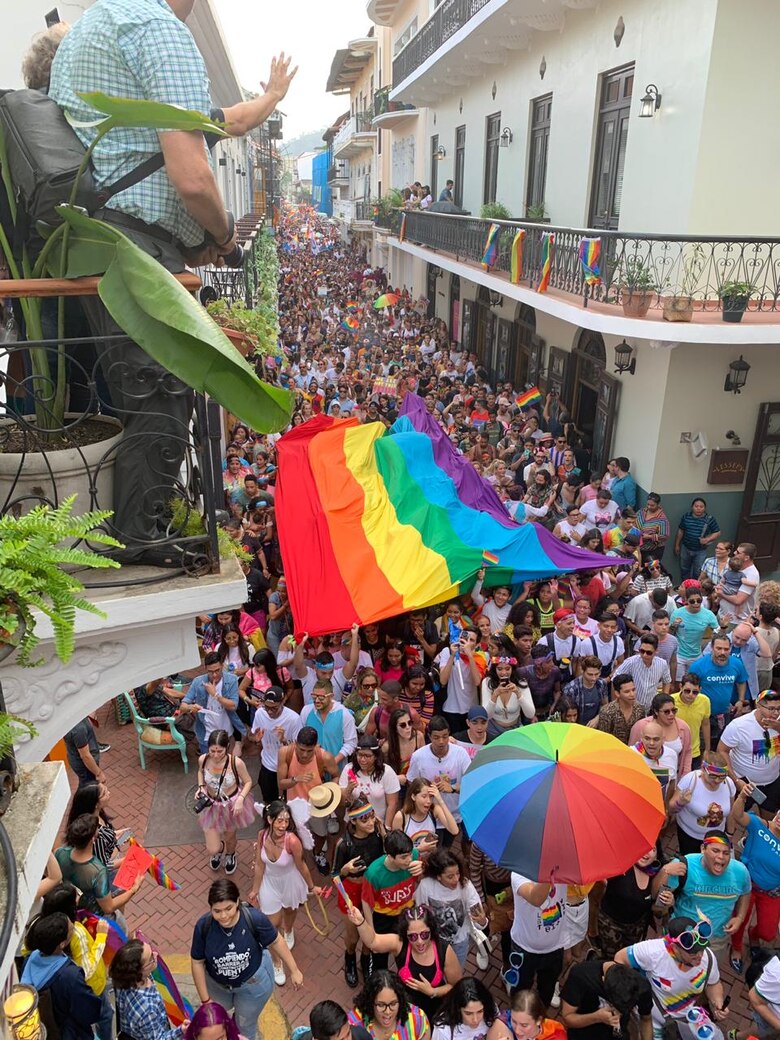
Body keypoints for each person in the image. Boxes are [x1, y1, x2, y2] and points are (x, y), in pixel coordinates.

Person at [49, 1, 295, 564]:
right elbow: (193, 177)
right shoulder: (158, 31)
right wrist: (225, 238)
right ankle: (143, 535)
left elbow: (222, 122)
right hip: (133, 246)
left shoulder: (97, 26)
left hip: (95, 238)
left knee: (117, 393)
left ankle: (102, 528)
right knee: (161, 390)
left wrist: (272, 99)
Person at [191, 879, 302, 1037]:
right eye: (217, 911)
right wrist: (205, 1001)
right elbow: (197, 961)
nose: (223, 916)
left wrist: (294, 970)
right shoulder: (204, 926)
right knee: (217, 1021)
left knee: (244, 1025)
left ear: (237, 901)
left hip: (252, 986)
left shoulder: (254, 919)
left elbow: (276, 940)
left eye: (228, 908)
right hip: (217, 987)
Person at [615, 917, 729, 1039]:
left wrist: (717, 1002)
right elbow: (619, 959)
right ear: (675, 948)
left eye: (701, 949)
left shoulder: (708, 958)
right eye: (693, 953)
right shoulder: (652, 952)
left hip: (690, 1017)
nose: (700, 956)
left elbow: (713, 984)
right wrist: (632, 991)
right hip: (655, 1022)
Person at [348, 905, 462, 1023]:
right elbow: (373, 941)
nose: (419, 941)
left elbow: (457, 986)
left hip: (435, 1009)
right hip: (406, 1009)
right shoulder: (400, 944)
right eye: (412, 936)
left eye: (424, 935)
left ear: (431, 930)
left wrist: (433, 992)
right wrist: (360, 922)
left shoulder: (443, 950)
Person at [248, 800, 319, 985]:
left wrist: (312, 887)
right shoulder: (262, 835)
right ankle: (277, 962)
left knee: (289, 911)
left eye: (286, 821)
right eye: (279, 820)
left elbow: (302, 866)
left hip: (290, 882)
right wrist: (255, 890)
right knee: (272, 926)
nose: (283, 825)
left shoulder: (292, 841)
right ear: (270, 819)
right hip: (269, 883)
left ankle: (289, 930)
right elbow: (260, 865)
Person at [655, 831, 750, 954]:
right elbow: (656, 896)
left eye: (726, 853)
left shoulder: (740, 871)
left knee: (705, 972)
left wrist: (740, 917)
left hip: (716, 940)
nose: (721, 857)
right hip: (681, 935)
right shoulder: (684, 866)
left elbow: (746, 892)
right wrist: (664, 871)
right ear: (703, 849)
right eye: (715, 851)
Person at [38, 883, 112, 1040]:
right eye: (75, 897)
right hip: (93, 987)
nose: (79, 897)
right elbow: (87, 969)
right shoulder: (75, 933)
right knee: (105, 1015)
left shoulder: (44, 926)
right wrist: (101, 936)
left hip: (75, 993)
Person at [22, 913, 103, 1040]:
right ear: (62, 944)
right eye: (71, 929)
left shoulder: (30, 960)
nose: (74, 927)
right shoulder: (70, 977)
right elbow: (89, 1011)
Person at [726, 783, 780, 973]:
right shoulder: (760, 826)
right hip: (746, 886)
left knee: (768, 931)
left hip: (771, 893)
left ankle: (754, 935)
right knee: (739, 920)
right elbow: (738, 816)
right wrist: (742, 797)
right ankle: (736, 949)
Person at [333, 797, 387, 986]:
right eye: (365, 820)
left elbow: (389, 856)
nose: (371, 822)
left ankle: (366, 960)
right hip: (351, 891)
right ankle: (349, 960)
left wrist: (384, 830)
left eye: (372, 817)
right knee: (353, 935)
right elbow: (335, 875)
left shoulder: (378, 835)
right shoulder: (344, 844)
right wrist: (346, 870)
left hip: (372, 888)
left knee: (370, 929)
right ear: (353, 821)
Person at [55, 814, 144, 920]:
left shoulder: (60, 853)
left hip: (72, 907)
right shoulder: (98, 872)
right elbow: (108, 907)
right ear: (93, 839)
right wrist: (134, 889)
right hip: (94, 915)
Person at [277, 725, 340, 873]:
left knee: (321, 834)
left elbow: (337, 775)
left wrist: (329, 790)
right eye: (301, 749)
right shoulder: (285, 753)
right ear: (295, 743)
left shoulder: (325, 757)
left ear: (316, 747)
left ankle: (318, 854)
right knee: (294, 835)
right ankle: (296, 858)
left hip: (317, 806)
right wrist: (296, 779)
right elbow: (281, 783)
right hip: (294, 805)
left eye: (309, 751)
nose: (304, 755)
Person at [361, 831, 423, 972]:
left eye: (409, 854)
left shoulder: (413, 856)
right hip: (383, 918)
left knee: (406, 952)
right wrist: (372, 933)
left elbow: (423, 879)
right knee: (379, 957)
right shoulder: (374, 874)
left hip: (406, 914)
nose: (409, 860)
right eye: (403, 857)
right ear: (390, 856)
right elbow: (366, 902)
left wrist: (423, 868)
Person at [195, 729, 254, 874]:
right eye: (212, 751)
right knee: (212, 848)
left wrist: (241, 799)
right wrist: (201, 787)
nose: (215, 755)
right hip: (210, 804)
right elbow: (200, 772)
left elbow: (248, 782)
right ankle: (219, 850)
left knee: (230, 836)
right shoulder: (203, 759)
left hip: (230, 805)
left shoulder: (236, 763)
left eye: (219, 751)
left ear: (227, 747)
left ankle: (230, 854)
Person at [414, 849, 487, 967]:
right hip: (434, 942)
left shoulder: (466, 886)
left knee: (457, 973)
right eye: (450, 876)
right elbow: (420, 915)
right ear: (438, 876)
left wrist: (482, 921)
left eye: (458, 873)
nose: (456, 879)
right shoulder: (426, 886)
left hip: (459, 943)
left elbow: (479, 922)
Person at [406, 718, 471, 846]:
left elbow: (471, 784)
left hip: (452, 814)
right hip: (428, 814)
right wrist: (426, 791)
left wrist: (452, 788)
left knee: (445, 849)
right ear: (429, 736)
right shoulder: (419, 756)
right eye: (436, 737)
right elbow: (411, 784)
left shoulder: (460, 754)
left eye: (445, 736)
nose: (441, 742)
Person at [508, 872, 566, 1007]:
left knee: (546, 992)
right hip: (524, 948)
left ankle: (540, 1020)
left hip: (554, 946)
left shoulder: (563, 865)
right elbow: (536, 898)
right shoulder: (519, 872)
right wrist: (550, 870)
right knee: (520, 994)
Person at [719, 687, 780, 813]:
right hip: (745, 783)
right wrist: (736, 780)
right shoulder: (739, 726)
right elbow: (722, 750)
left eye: (778, 708)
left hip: (773, 782)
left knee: (769, 814)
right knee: (736, 816)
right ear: (758, 705)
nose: (775, 713)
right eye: (771, 709)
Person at [111, 938, 185, 1040]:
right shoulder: (147, 1010)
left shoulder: (122, 977)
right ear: (139, 970)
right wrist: (181, 1030)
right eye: (151, 958)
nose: (155, 954)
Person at [596, 849, 663, 961]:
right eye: (643, 848)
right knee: (612, 959)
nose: (646, 853)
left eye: (652, 850)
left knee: (629, 957)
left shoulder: (656, 874)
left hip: (637, 927)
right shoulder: (620, 866)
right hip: (611, 924)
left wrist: (665, 872)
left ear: (656, 856)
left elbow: (659, 910)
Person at [561, 959, 653, 1040]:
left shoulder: (642, 987)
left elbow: (646, 1019)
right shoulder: (581, 975)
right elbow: (568, 1018)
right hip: (582, 1034)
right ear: (603, 979)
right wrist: (597, 1017)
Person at [668, 752, 736, 855]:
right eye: (712, 776)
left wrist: (730, 833)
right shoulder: (690, 780)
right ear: (703, 770)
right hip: (689, 836)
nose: (717, 780)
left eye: (721, 777)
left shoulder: (729, 784)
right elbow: (671, 808)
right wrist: (680, 802)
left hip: (715, 837)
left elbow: (731, 811)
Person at [689, 634, 749, 747]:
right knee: (702, 746)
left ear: (730, 649)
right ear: (712, 648)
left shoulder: (737, 663)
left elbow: (741, 681)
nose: (722, 652)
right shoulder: (698, 666)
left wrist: (741, 700)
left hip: (725, 714)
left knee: (721, 746)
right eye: (719, 648)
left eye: (726, 649)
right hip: (703, 716)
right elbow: (688, 689)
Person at [180, 653, 244, 754]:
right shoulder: (198, 682)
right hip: (206, 732)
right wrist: (190, 707)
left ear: (222, 666)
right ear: (205, 668)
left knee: (225, 761)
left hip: (226, 731)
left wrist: (215, 695)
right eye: (210, 672)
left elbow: (233, 706)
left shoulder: (231, 680)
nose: (214, 675)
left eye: (217, 670)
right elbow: (182, 706)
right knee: (207, 761)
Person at [249, 685, 302, 803]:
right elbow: (253, 737)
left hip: (287, 766)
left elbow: (299, 748)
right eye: (267, 707)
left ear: (283, 702)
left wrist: (283, 740)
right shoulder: (260, 714)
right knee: (269, 800)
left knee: (290, 801)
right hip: (267, 764)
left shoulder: (293, 719)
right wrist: (255, 739)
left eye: (274, 708)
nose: (269, 711)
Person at [348, 969, 430, 1040]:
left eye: (393, 1004)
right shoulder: (352, 1026)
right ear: (370, 1002)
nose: (388, 1012)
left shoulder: (417, 1019)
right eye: (381, 1005)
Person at [340, 735, 402, 828]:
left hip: (376, 825)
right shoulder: (349, 770)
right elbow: (343, 803)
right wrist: (349, 789)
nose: (362, 759)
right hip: (353, 826)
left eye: (367, 756)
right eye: (360, 754)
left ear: (376, 756)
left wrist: (387, 828)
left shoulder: (386, 772)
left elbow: (392, 804)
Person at [66, 780, 129, 869]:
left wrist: (118, 835)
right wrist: (126, 860)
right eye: (104, 794)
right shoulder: (96, 835)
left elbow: (107, 837)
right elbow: (104, 865)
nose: (109, 793)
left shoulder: (97, 814)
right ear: (95, 804)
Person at [436, 626, 487, 732]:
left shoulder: (481, 657)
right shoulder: (448, 651)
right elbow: (443, 680)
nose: (466, 642)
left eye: (471, 640)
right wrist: (453, 655)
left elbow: (477, 681)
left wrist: (470, 656)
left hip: (471, 710)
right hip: (451, 708)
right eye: (465, 637)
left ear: (477, 645)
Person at [629, 692, 692, 776]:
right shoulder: (641, 726)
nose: (671, 714)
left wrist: (685, 776)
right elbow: (631, 752)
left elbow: (687, 752)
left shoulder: (683, 727)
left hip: (672, 775)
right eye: (666, 712)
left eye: (674, 710)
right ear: (656, 712)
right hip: (644, 775)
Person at [392, 779, 459, 857]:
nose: (429, 801)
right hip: (410, 865)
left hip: (429, 863)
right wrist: (419, 849)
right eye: (424, 796)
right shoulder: (401, 817)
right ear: (413, 796)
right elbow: (396, 850)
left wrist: (440, 800)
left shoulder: (434, 810)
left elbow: (454, 831)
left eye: (431, 797)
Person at [480, 655, 536, 736]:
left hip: (515, 729)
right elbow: (487, 715)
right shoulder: (487, 682)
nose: (503, 673)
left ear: (512, 669)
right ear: (494, 669)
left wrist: (518, 694)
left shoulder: (521, 683)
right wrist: (495, 695)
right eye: (499, 669)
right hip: (492, 730)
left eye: (507, 669)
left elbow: (530, 714)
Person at [671, 592, 720, 681]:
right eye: (692, 601)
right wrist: (673, 626)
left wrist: (723, 626)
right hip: (679, 655)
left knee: (695, 683)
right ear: (686, 601)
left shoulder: (708, 614)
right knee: (677, 684)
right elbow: (669, 634)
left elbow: (718, 633)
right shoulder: (677, 613)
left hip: (696, 655)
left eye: (699, 600)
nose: (696, 603)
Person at [616, 635, 672, 711]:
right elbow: (615, 680)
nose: (644, 655)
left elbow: (667, 681)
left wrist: (663, 700)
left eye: (649, 652)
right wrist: (617, 704)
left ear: (656, 651)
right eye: (642, 651)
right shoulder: (631, 662)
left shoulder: (662, 664)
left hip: (651, 708)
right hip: (632, 708)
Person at [431, 977, 496, 1040]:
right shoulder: (443, 1031)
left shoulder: (491, 1010)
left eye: (480, 1011)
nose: (475, 1020)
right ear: (458, 1009)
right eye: (468, 1013)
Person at [486, 989, 565, 1040]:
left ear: (538, 1020)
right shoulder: (503, 1024)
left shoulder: (555, 1033)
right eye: (513, 1021)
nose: (517, 1030)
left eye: (524, 1025)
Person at [629, 721, 678, 802]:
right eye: (647, 738)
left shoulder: (671, 755)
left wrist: (667, 807)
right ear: (641, 738)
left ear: (663, 740)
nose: (651, 743)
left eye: (656, 739)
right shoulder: (631, 754)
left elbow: (672, 781)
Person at [674, 498, 721, 581]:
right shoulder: (686, 517)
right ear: (692, 507)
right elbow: (681, 530)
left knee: (698, 571)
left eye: (701, 506)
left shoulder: (709, 519)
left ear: (705, 508)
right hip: (686, 548)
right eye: (696, 506)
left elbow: (717, 532)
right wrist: (677, 545)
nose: (698, 508)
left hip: (700, 551)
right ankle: (685, 587)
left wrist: (707, 539)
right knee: (684, 569)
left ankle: (695, 588)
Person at [592, 674, 644, 744]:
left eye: (633, 690)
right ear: (617, 693)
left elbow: (641, 735)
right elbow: (603, 739)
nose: (632, 694)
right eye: (627, 692)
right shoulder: (607, 712)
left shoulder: (640, 709)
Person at [383, 708, 426, 792]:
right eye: (403, 725)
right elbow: (381, 772)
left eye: (410, 723)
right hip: (397, 785)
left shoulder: (419, 737)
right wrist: (395, 778)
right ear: (394, 728)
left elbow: (425, 762)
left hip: (416, 784)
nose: (408, 727)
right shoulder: (387, 747)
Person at [672, 674, 710, 769]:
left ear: (700, 690)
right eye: (687, 691)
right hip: (673, 750)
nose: (690, 695)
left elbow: (705, 724)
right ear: (681, 687)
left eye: (695, 692)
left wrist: (707, 749)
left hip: (694, 750)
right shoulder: (671, 701)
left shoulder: (705, 701)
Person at [717, 541, 760, 623]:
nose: (734, 553)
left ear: (746, 558)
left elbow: (738, 600)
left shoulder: (751, 575)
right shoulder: (735, 566)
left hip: (734, 621)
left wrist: (721, 594)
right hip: (722, 613)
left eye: (738, 552)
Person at [517, 645, 562, 720]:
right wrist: (531, 715)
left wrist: (554, 706)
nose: (552, 664)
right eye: (548, 662)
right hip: (528, 715)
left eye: (552, 660)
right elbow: (520, 696)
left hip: (548, 713)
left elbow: (557, 691)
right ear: (539, 665)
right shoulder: (524, 673)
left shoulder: (555, 671)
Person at [574, 614, 625, 680]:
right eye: (606, 626)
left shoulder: (618, 641)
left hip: (609, 678)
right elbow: (580, 667)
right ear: (599, 626)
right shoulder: (587, 643)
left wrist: (609, 678)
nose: (609, 630)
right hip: (589, 680)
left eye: (613, 627)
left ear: (616, 628)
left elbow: (621, 662)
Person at [562, 656, 607, 725]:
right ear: (582, 671)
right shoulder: (571, 689)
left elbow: (605, 705)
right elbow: (566, 715)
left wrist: (598, 718)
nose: (594, 678)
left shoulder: (601, 684)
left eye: (596, 674)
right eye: (590, 674)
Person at [64, 718, 104, 788]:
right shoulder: (78, 729)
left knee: (86, 786)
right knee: (89, 789)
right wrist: (99, 773)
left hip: (78, 760)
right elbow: (85, 756)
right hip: (85, 767)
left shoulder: (72, 722)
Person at [748, 955, 780, 1037]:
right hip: (772, 1021)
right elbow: (755, 999)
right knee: (761, 1033)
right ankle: (736, 1036)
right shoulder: (777, 974)